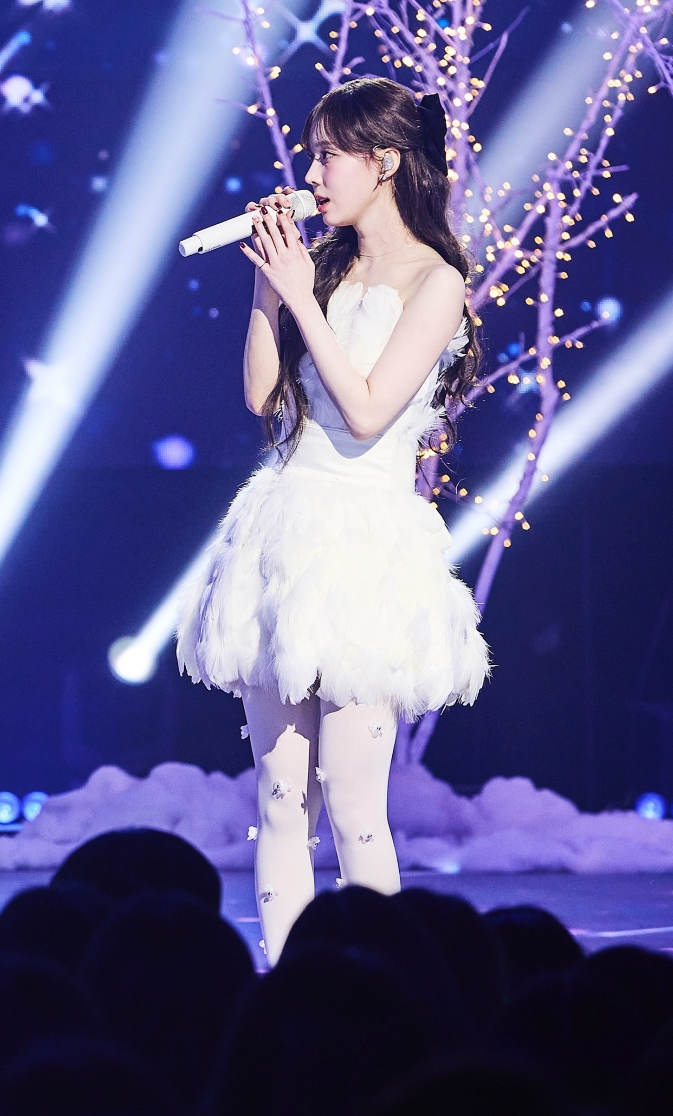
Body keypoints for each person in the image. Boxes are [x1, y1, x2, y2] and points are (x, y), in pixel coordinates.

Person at [176, 76, 488, 962]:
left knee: (354, 804)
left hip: (366, 547)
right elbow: (262, 396)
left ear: (383, 162)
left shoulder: (436, 282)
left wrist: (300, 294)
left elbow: (368, 410)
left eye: (326, 156)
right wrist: (270, 286)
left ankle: (382, 990)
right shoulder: (324, 266)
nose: (311, 175)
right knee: (280, 800)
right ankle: (286, 981)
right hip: (285, 532)